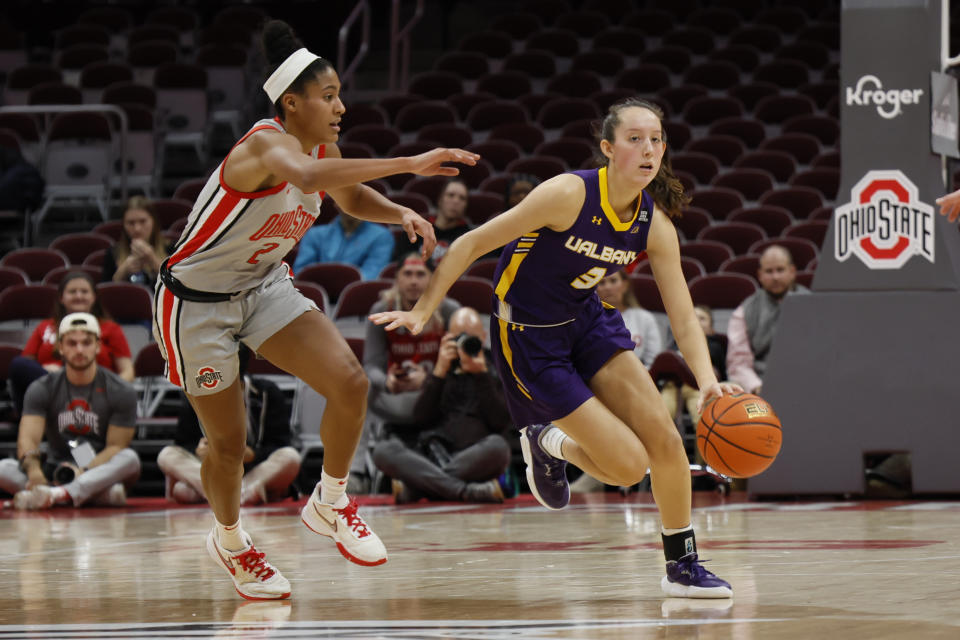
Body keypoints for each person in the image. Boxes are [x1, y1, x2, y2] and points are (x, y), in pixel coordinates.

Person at [151, 19, 478, 601]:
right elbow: (307, 176)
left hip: (262, 286)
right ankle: (229, 540)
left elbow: (347, 193)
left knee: (350, 383)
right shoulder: (263, 146)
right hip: (195, 305)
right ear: (292, 102)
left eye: (339, 95)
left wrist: (398, 211)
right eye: (329, 97)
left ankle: (330, 501)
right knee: (229, 446)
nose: (341, 107)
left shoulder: (323, 145)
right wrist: (408, 162)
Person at [372, 97, 738, 599]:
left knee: (667, 441)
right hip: (527, 336)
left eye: (656, 140)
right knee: (630, 466)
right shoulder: (568, 194)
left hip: (585, 321)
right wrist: (422, 308)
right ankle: (548, 441)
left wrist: (709, 381)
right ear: (608, 149)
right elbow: (472, 243)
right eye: (635, 139)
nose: (649, 149)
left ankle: (682, 565)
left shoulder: (653, 223)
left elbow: (682, 311)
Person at [372, 307, 513, 504]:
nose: (464, 344)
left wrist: (482, 375)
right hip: (433, 453)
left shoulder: (497, 367)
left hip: (474, 457)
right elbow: (421, 417)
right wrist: (438, 373)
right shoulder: (442, 364)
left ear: (483, 337)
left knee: (499, 447)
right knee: (384, 450)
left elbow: (501, 423)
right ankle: (465, 491)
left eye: (470, 338)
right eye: (458, 338)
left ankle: (418, 487)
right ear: (447, 338)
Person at [0, 313, 140, 509]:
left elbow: (116, 447)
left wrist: (83, 470)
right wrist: (34, 473)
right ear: (60, 347)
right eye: (72, 343)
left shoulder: (120, 390)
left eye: (86, 342)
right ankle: (76, 494)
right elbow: (28, 439)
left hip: (95, 469)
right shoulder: (41, 387)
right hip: (53, 468)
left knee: (129, 460)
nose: (79, 349)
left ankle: (55, 495)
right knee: (3, 468)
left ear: (98, 346)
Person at [361, 253, 460, 488]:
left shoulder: (448, 310)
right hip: (396, 393)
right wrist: (387, 382)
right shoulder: (381, 309)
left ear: (432, 279)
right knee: (356, 388)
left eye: (420, 274)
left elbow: (460, 364)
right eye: (407, 274)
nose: (414, 281)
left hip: (437, 394)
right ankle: (355, 474)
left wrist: (430, 379)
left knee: (465, 384)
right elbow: (371, 364)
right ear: (396, 279)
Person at [157, 345, 301, 505]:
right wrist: (198, 451)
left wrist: (252, 454)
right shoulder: (195, 394)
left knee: (290, 457)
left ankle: (226, 495)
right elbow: (182, 443)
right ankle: (239, 495)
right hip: (211, 471)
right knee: (167, 456)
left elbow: (280, 444)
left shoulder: (267, 393)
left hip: (253, 470)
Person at [9, 271, 134, 415]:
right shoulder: (45, 327)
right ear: (62, 298)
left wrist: (108, 390)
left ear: (94, 297)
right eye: (72, 292)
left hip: (95, 393)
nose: (79, 296)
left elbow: (127, 371)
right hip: (51, 394)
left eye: (84, 291)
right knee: (18, 365)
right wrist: (48, 371)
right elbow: (26, 366)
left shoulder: (110, 328)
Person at [726, 244, 809, 395]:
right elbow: (738, 363)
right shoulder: (744, 311)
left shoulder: (813, 304)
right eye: (769, 271)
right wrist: (758, 387)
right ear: (760, 275)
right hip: (761, 385)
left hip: (808, 380)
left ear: (792, 271)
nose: (775, 277)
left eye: (780, 270)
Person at [292, 211, 394, 280]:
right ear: (336, 203)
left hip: (356, 298)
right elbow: (301, 273)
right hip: (314, 298)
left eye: (357, 199)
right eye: (346, 199)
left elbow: (372, 275)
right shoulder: (314, 234)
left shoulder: (381, 235)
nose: (351, 205)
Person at [596, 268, 662, 368]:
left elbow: (654, 361)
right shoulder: (589, 319)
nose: (608, 287)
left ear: (625, 285)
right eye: (602, 282)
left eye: (613, 281)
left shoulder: (644, 318)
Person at [394, 178, 471, 262]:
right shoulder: (416, 228)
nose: (456, 201)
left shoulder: (469, 237)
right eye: (451, 195)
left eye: (462, 198)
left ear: (466, 205)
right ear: (440, 200)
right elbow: (398, 263)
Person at [101, 196, 170, 286]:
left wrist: (152, 259)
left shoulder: (171, 248)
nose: (137, 229)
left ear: (153, 221)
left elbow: (177, 288)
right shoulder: (113, 253)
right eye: (131, 223)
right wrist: (122, 272)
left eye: (143, 221)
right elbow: (104, 294)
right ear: (123, 225)